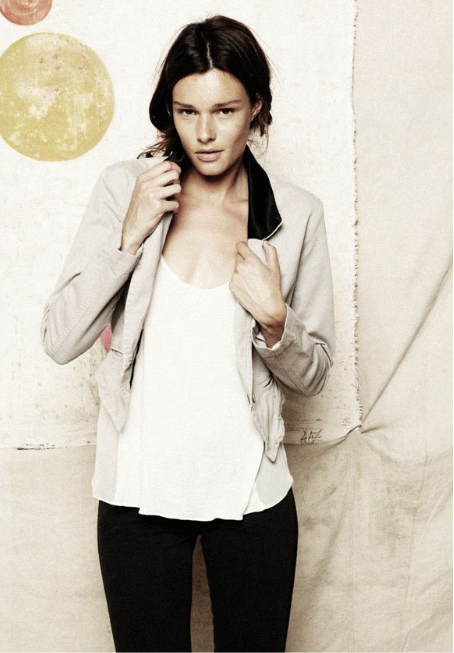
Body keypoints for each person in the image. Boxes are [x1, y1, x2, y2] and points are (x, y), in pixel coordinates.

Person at [40, 14, 335, 653]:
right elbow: (60, 339)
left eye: (224, 111)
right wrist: (129, 237)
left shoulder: (297, 215)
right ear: (168, 112)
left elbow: (315, 374)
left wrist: (276, 322)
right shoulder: (127, 189)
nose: (204, 134)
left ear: (257, 107)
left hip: (252, 496)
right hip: (136, 494)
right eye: (186, 111)